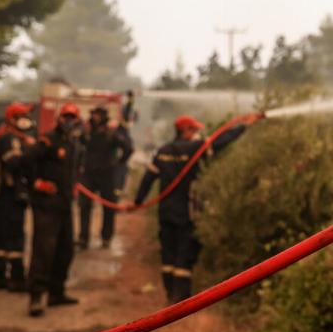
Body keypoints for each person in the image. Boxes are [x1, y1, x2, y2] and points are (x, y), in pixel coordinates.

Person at [132, 113, 262, 303]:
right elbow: (221, 141)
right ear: (185, 130)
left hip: (165, 211)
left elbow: (148, 179)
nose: (197, 134)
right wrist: (244, 126)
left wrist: (137, 201)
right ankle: (181, 301)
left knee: (168, 254)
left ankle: (170, 294)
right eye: (194, 130)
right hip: (186, 212)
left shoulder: (163, 151)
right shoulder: (195, 148)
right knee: (185, 254)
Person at [24, 102, 84, 317]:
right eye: (65, 117)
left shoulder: (73, 143)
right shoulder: (49, 139)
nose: (68, 121)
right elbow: (26, 159)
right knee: (44, 250)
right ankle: (36, 297)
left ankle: (56, 293)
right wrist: (36, 183)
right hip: (46, 205)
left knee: (65, 249)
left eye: (72, 117)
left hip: (65, 204)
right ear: (59, 118)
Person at [0, 102, 35, 292]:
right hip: (8, 196)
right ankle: (15, 277)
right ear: (12, 119)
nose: (26, 120)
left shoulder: (15, 137)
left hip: (4, 195)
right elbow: (13, 163)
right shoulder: (9, 139)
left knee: (0, 234)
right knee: (12, 235)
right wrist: (31, 150)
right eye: (22, 116)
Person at [77, 105, 133, 249]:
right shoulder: (87, 131)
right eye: (94, 114)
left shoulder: (111, 132)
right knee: (84, 206)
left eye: (98, 114)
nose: (95, 117)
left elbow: (128, 148)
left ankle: (106, 237)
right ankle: (83, 238)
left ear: (103, 116)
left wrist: (119, 163)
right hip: (89, 173)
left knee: (108, 208)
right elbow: (76, 147)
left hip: (107, 174)